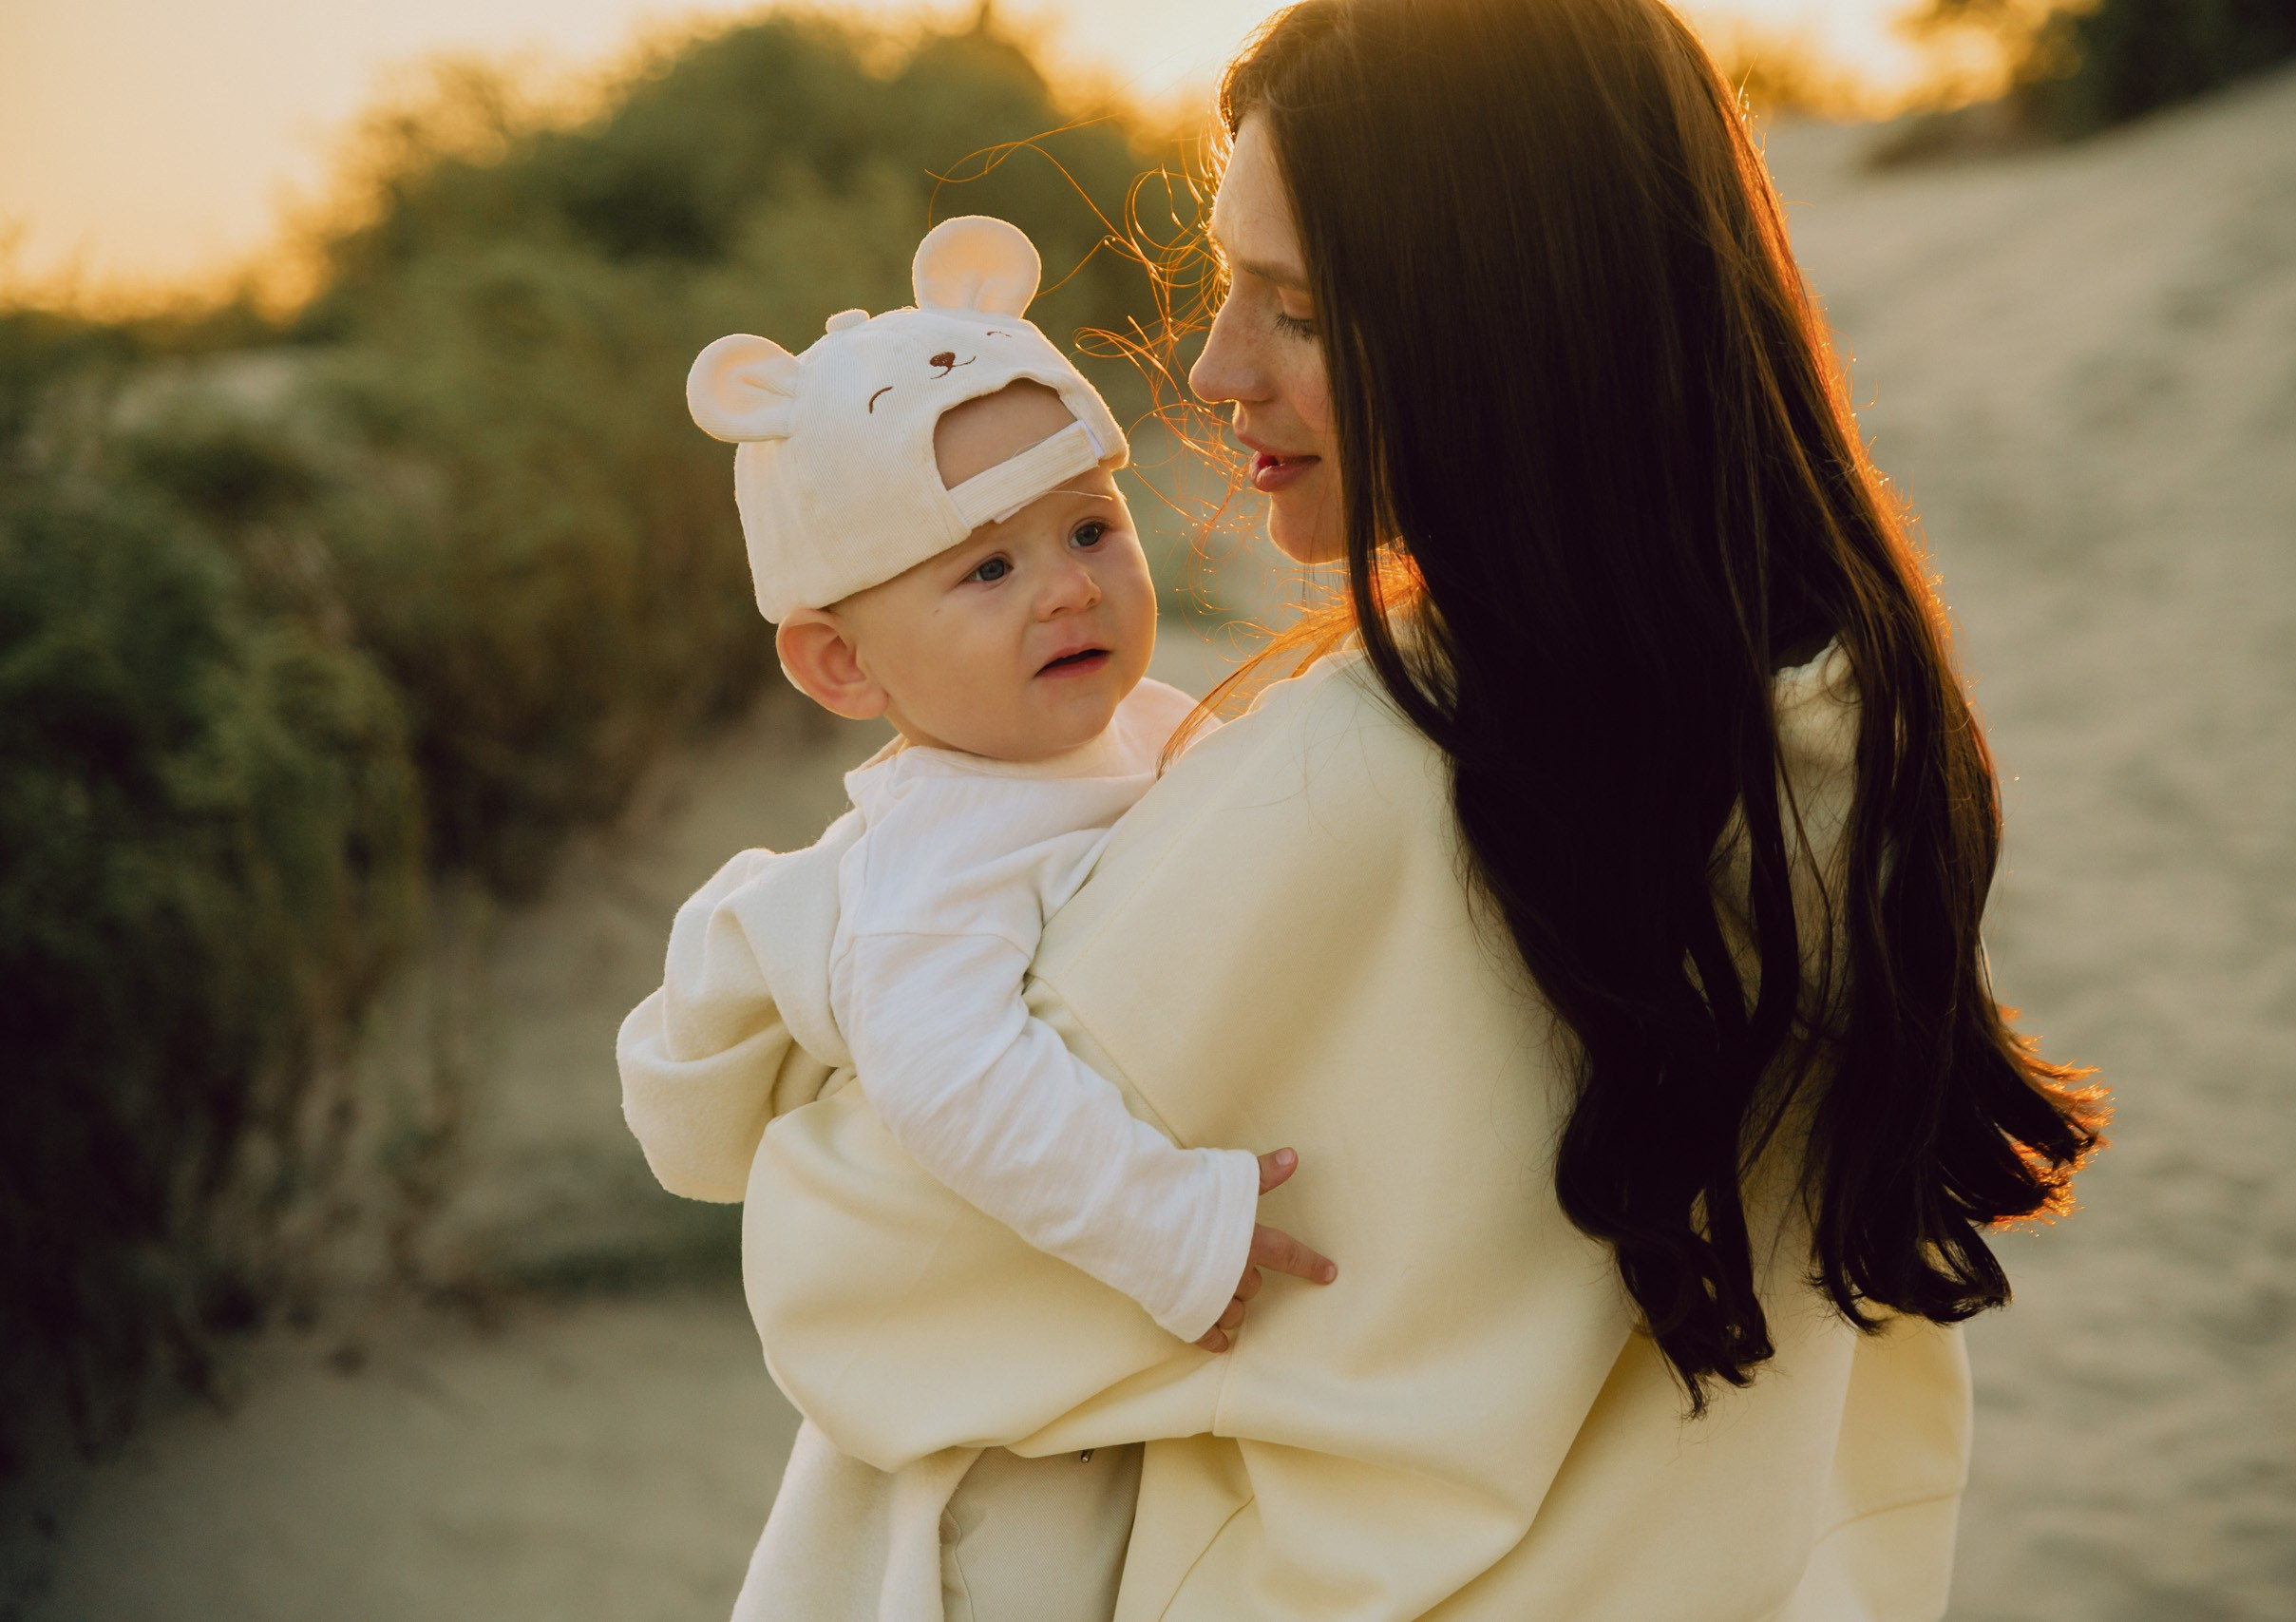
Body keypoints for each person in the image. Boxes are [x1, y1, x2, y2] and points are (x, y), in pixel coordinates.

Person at [703, 1, 2110, 1617]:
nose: (1215, 368)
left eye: (1297, 310)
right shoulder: (1860, 732)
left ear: (1514, 325)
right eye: (1229, 285)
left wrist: (803, 946)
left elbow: (857, 1279)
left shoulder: (1371, 788)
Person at [618, 215, 1333, 1622]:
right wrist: (1168, 1227)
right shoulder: (934, 856)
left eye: (1091, 528)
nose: (1069, 585)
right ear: (842, 664)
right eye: (987, 569)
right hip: (1003, 1458)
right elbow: (949, 1078)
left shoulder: (1146, 724)